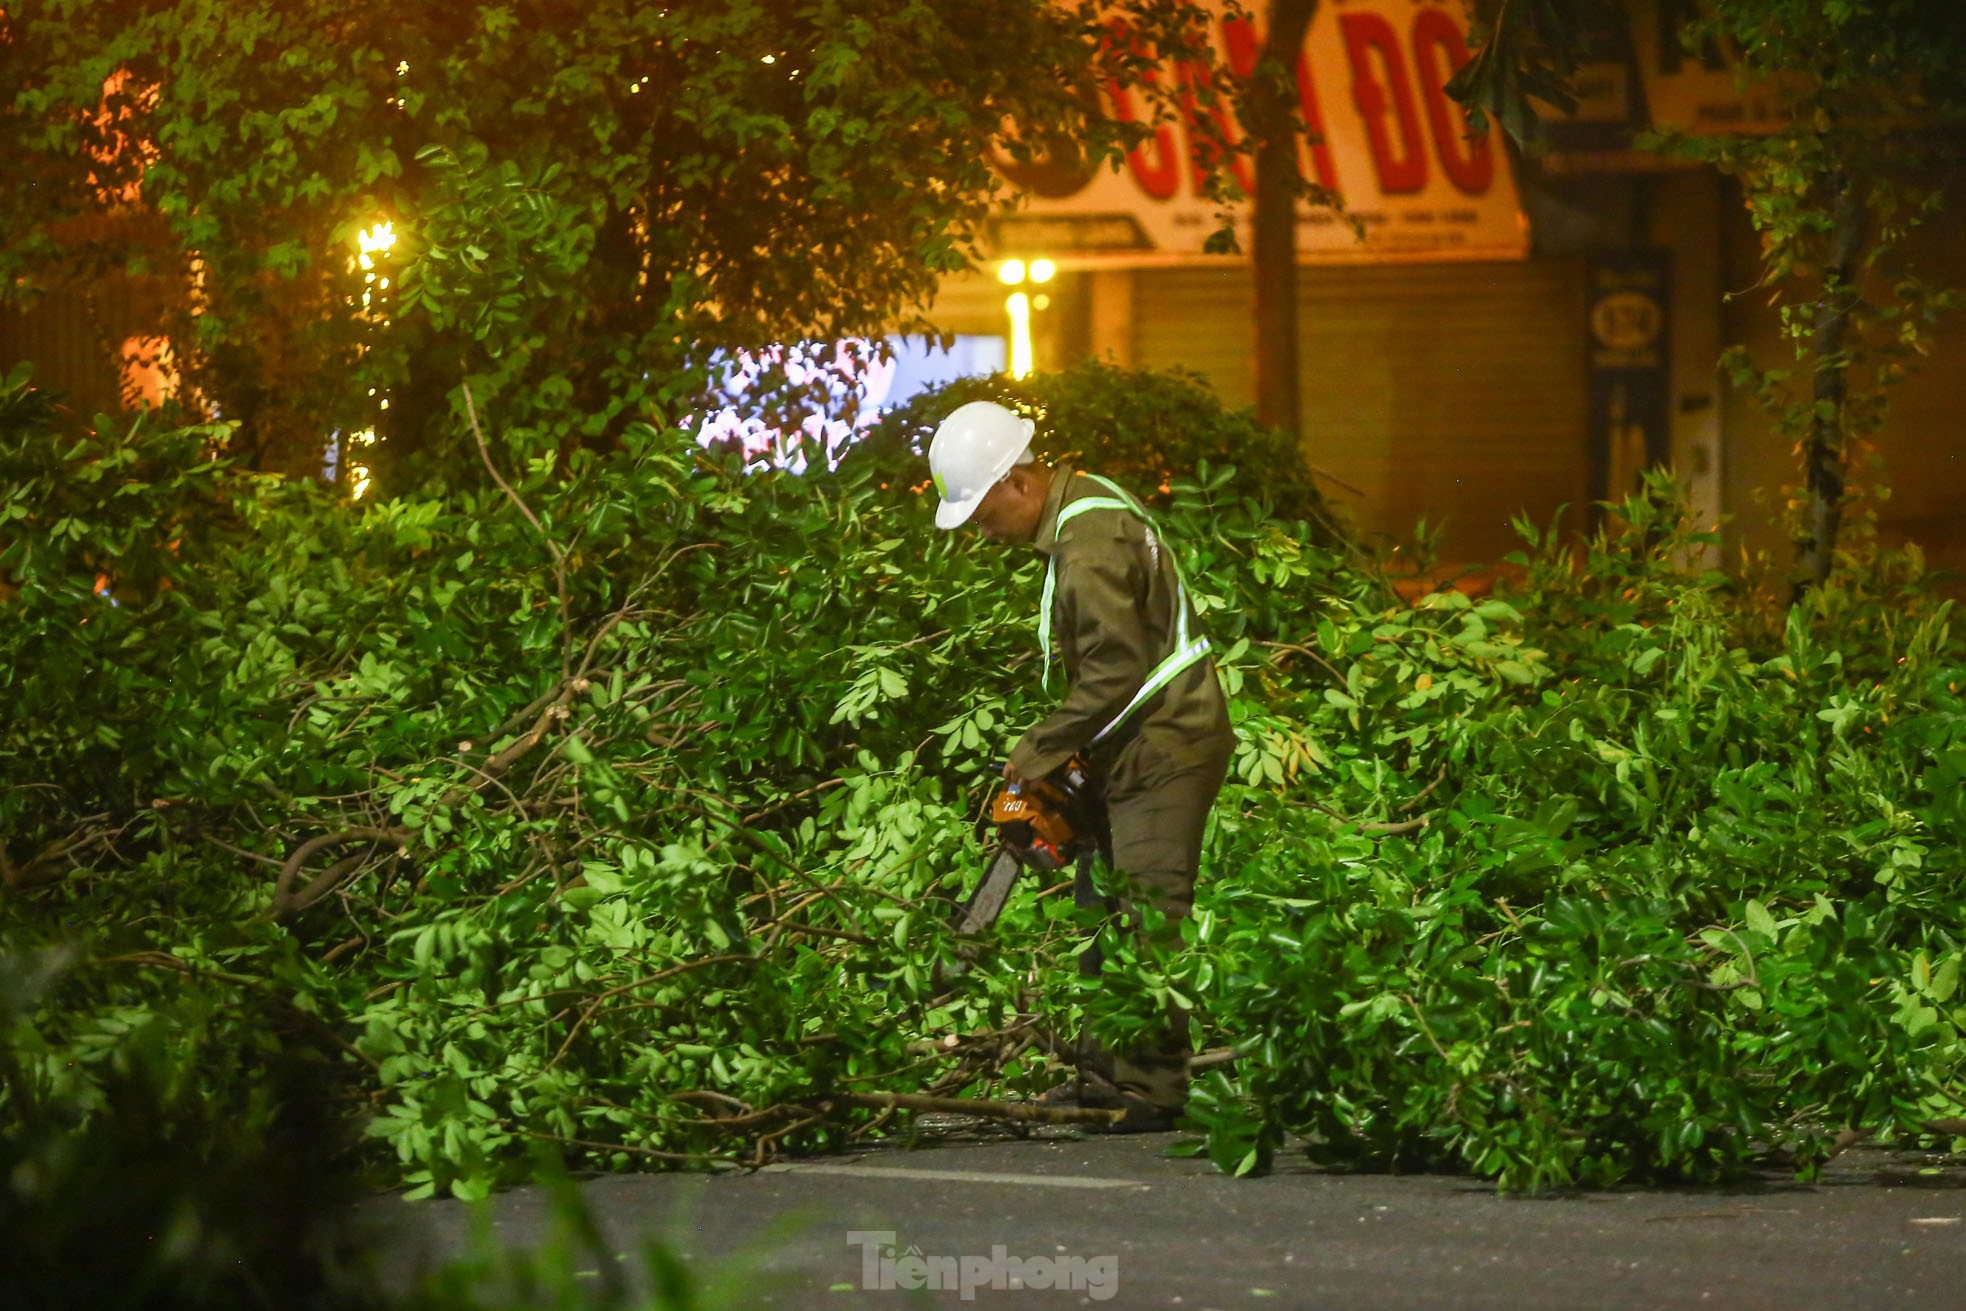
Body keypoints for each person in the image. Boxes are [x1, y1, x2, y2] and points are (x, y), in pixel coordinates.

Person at [928, 399, 1236, 1132]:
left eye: (981, 509)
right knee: (1102, 909)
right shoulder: (1085, 510)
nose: (980, 527)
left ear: (1018, 481)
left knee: (1147, 911)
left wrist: (1038, 750)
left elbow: (1116, 668)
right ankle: (1106, 1074)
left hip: (1167, 742)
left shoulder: (1087, 541)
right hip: (1132, 742)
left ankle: (1153, 1089)